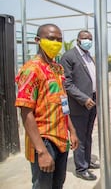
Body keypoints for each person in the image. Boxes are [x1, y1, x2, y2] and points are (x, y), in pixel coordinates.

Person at [15, 23, 79, 188]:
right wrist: (41, 151)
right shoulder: (31, 70)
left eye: (59, 39)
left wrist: (72, 131)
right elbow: (26, 112)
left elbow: (63, 102)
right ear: (38, 40)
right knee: (43, 185)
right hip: (44, 140)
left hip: (61, 138)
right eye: (51, 39)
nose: (56, 43)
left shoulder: (57, 69)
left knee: (58, 184)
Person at [60, 30, 99, 181]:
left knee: (88, 134)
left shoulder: (89, 56)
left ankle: (87, 161)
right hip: (79, 104)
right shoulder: (69, 57)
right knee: (79, 136)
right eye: (84, 38)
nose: (87, 41)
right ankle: (81, 168)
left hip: (92, 101)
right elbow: (67, 83)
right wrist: (83, 98)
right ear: (77, 40)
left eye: (90, 38)